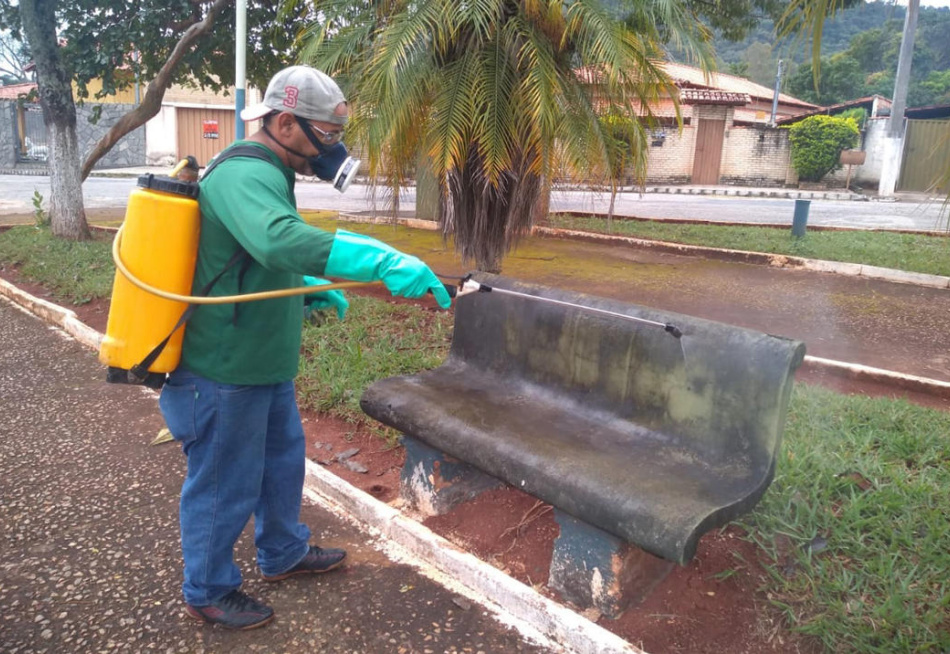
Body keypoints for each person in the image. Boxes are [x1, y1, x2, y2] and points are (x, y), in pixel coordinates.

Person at [158, 65, 452, 630]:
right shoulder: (245, 172)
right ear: (286, 123)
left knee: (280, 465)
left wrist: (306, 292)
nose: (332, 150)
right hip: (223, 369)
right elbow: (277, 238)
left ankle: (282, 551)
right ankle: (208, 588)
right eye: (327, 135)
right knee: (224, 483)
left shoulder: (274, 170)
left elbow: (255, 257)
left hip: (263, 363)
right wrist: (379, 260)